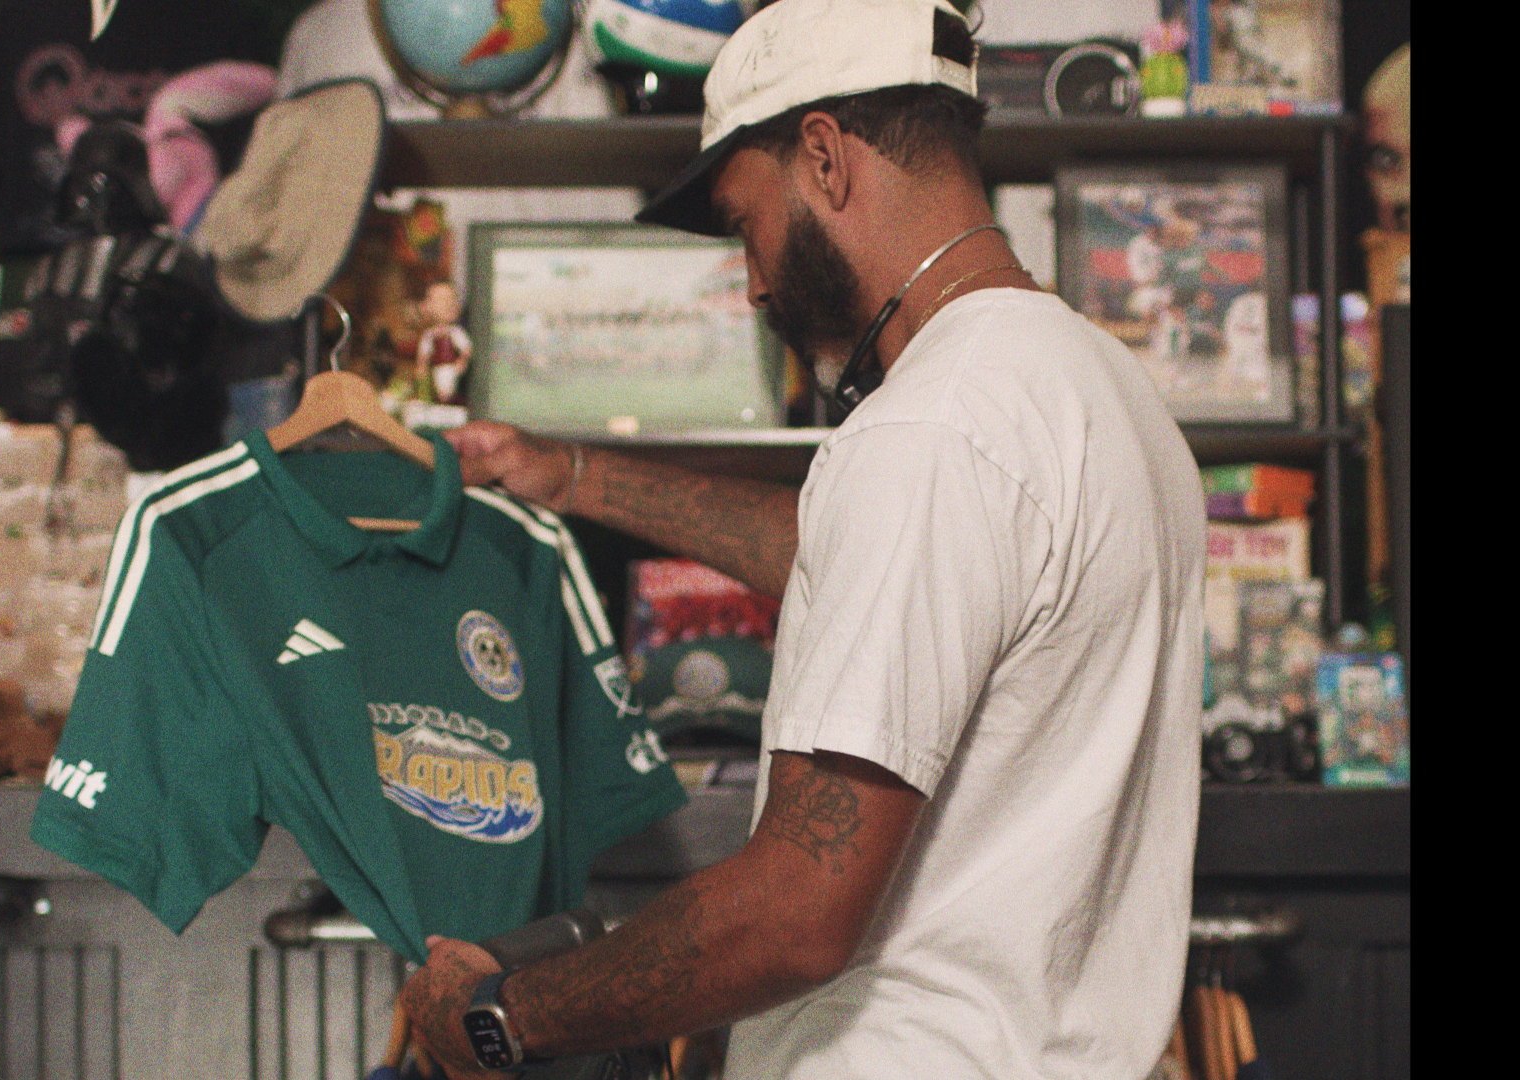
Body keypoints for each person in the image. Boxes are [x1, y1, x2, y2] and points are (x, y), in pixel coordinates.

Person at [398, 0, 1209, 1076]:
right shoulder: (1097, 389)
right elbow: (875, 573)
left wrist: (502, 1018)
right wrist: (573, 475)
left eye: (746, 225)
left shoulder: (930, 429)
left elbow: (794, 911)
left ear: (824, 158)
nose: (754, 283)